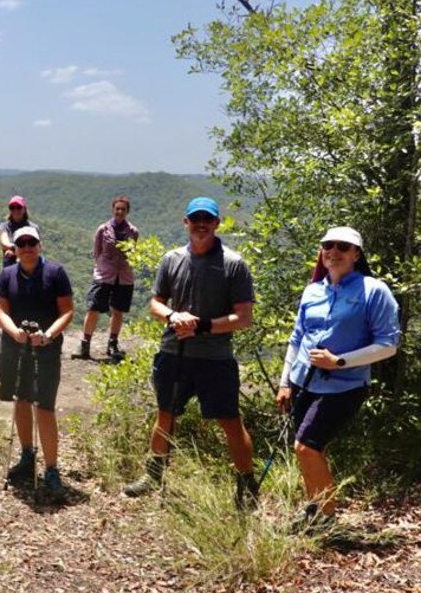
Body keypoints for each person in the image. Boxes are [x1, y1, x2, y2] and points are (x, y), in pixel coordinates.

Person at [123, 197, 258, 508]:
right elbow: (156, 303)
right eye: (195, 219)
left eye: (206, 219)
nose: (201, 224)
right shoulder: (172, 259)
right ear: (185, 222)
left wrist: (203, 326)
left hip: (215, 359)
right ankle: (153, 475)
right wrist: (173, 316)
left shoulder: (233, 264)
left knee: (230, 422)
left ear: (216, 224)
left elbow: (244, 317)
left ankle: (246, 485)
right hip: (174, 352)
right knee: (166, 416)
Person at [276, 227, 399, 532]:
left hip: (344, 386)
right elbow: (297, 339)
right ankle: (314, 509)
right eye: (328, 245)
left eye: (343, 247)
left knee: (305, 447)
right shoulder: (313, 290)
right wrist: (284, 382)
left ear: (356, 254)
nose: (334, 251)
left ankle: (327, 521)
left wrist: (339, 361)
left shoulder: (373, 290)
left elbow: (389, 345)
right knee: (314, 450)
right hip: (304, 381)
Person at [0, 226, 74, 499]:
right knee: (20, 400)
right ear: (15, 248)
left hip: (47, 349)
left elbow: (67, 311)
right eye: (22, 243)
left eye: (32, 243)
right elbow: (2, 310)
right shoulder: (7, 274)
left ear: (40, 245)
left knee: (44, 407)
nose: (27, 247)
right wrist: (14, 332)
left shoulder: (55, 273)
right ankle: (27, 456)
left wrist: (49, 335)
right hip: (14, 347)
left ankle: (52, 469)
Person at [73, 196, 139, 363]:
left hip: (124, 276)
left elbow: (133, 254)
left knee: (117, 310)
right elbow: (97, 252)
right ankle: (85, 344)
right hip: (104, 274)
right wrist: (103, 267)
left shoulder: (133, 232)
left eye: (123, 209)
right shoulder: (103, 230)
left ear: (127, 211)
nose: (120, 212)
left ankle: (112, 344)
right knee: (93, 308)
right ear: (112, 210)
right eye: (117, 208)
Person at [0, 196, 40, 365]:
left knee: (27, 310)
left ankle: (25, 349)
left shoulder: (33, 227)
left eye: (19, 208)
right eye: (13, 208)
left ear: (24, 209)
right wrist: (18, 249)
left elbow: (37, 248)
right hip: (8, 275)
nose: (16, 211)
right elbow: (4, 241)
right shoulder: (5, 226)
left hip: (30, 274)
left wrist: (16, 251)